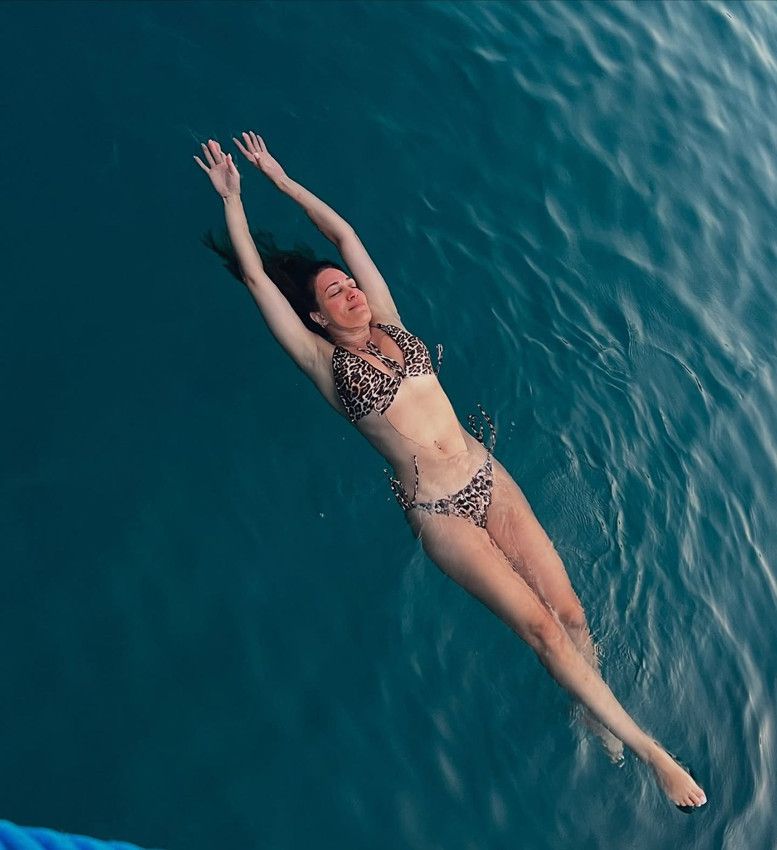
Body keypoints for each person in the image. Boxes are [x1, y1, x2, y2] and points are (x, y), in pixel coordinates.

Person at [193, 133, 707, 811]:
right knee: (541, 629)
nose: (351, 292)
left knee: (572, 614)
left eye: (350, 284)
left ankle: (593, 711)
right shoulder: (322, 363)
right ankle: (652, 753)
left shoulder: (391, 322)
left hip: (488, 477)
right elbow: (260, 281)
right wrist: (233, 199)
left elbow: (344, 235)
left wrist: (282, 181)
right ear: (315, 315)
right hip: (438, 513)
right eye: (336, 293)